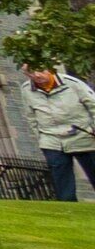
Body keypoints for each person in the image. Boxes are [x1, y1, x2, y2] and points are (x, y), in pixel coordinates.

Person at [30, 64, 95, 202]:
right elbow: (31, 116)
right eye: (31, 72)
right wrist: (41, 138)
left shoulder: (73, 83)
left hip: (83, 135)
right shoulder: (26, 90)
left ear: (50, 70)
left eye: (40, 70)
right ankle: (69, 211)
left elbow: (93, 105)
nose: (36, 75)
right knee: (63, 184)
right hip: (52, 140)